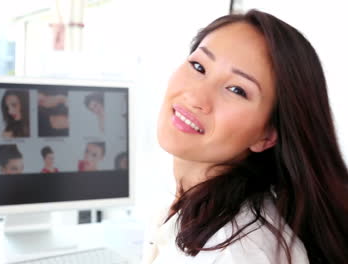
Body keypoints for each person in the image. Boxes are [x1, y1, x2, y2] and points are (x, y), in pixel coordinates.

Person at [143, 9, 348, 264]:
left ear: (267, 135)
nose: (196, 97)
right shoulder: (190, 213)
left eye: (237, 90)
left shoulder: (233, 252)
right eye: (198, 66)